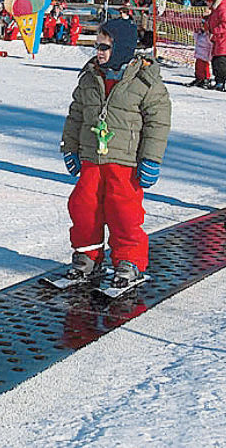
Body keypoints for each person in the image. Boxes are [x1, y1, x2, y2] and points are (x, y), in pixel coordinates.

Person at [60, 18, 172, 291]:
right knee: (84, 207)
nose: (99, 51)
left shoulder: (145, 81)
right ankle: (87, 255)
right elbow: (76, 114)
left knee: (125, 213)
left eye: (105, 46)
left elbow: (158, 122)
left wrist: (151, 159)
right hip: (91, 159)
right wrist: (70, 147)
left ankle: (129, 260)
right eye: (97, 45)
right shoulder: (90, 76)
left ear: (121, 48)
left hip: (125, 161)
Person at [187, 20, 214, 88]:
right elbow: (196, 39)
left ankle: (206, 79)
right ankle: (199, 78)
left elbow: (211, 43)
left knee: (204, 67)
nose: (201, 27)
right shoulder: (201, 34)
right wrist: (196, 33)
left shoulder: (208, 35)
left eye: (203, 26)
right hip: (199, 54)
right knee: (198, 67)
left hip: (205, 55)